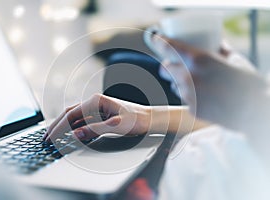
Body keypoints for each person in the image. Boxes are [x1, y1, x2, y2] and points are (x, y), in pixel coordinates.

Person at [44, 32, 270, 199]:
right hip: (204, 146)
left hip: (195, 180)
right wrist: (147, 116)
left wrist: (246, 104)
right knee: (123, 64)